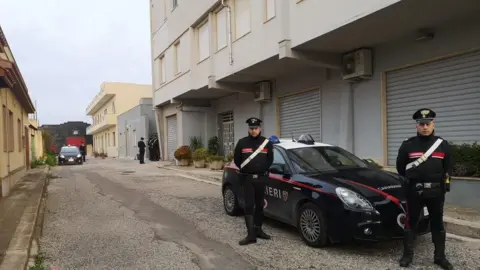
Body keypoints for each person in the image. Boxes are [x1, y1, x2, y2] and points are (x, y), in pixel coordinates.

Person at [396, 108, 453, 270]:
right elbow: (401, 168)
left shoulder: (442, 145)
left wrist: (445, 186)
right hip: (415, 191)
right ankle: (407, 256)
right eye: (421, 124)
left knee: (437, 224)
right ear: (417, 126)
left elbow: (448, 168)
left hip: (436, 192)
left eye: (428, 123)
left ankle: (440, 257)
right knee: (411, 224)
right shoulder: (408, 145)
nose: (425, 127)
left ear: (433, 124)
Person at [233, 117, 274, 246]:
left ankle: (258, 230)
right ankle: (250, 235)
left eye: (256, 128)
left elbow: (270, 160)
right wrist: (248, 170)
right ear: (248, 129)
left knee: (260, 205)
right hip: (247, 179)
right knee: (249, 206)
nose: (254, 131)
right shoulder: (242, 143)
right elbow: (237, 160)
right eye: (251, 128)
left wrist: (261, 169)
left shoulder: (266, 143)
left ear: (260, 128)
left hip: (261, 178)